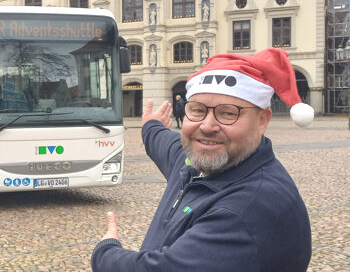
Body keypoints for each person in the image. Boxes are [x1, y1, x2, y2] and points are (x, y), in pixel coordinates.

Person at [91, 48, 314, 271]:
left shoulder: (249, 208)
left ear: (262, 120)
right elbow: (161, 141)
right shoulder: (196, 162)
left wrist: (105, 252)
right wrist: (151, 124)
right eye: (197, 110)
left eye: (228, 113)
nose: (207, 126)